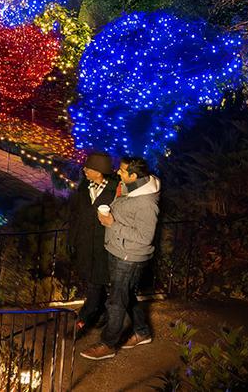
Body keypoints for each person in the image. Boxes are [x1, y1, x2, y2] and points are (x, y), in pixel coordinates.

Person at [80, 157, 160, 361]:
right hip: (119, 251)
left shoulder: (146, 203)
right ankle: (142, 332)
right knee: (127, 295)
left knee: (115, 301)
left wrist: (112, 223)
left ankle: (108, 344)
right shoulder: (131, 187)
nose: (118, 173)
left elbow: (145, 237)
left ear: (134, 175)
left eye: (123, 172)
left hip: (128, 257)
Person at [66, 152, 120, 337]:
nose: (84, 170)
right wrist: (71, 240)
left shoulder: (116, 190)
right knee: (95, 282)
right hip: (85, 244)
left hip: (104, 246)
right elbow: (75, 216)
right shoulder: (84, 187)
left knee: (95, 284)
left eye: (88, 168)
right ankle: (101, 313)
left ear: (99, 172)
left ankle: (82, 322)